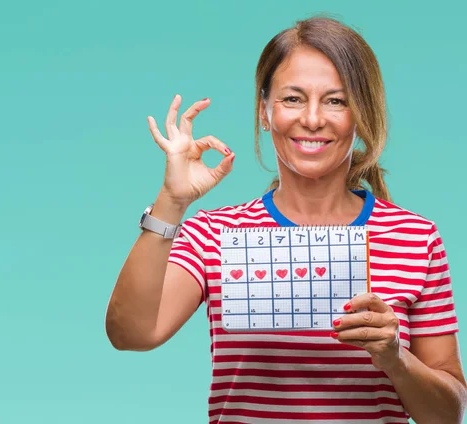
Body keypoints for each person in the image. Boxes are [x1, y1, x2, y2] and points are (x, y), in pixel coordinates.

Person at [104, 16, 467, 423]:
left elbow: (448, 414)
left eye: (336, 100)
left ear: (360, 115)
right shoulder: (214, 234)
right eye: (292, 98)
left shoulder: (416, 238)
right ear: (264, 111)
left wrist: (396, 356)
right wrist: (171, 199)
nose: (312, 119)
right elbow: (130, 333)